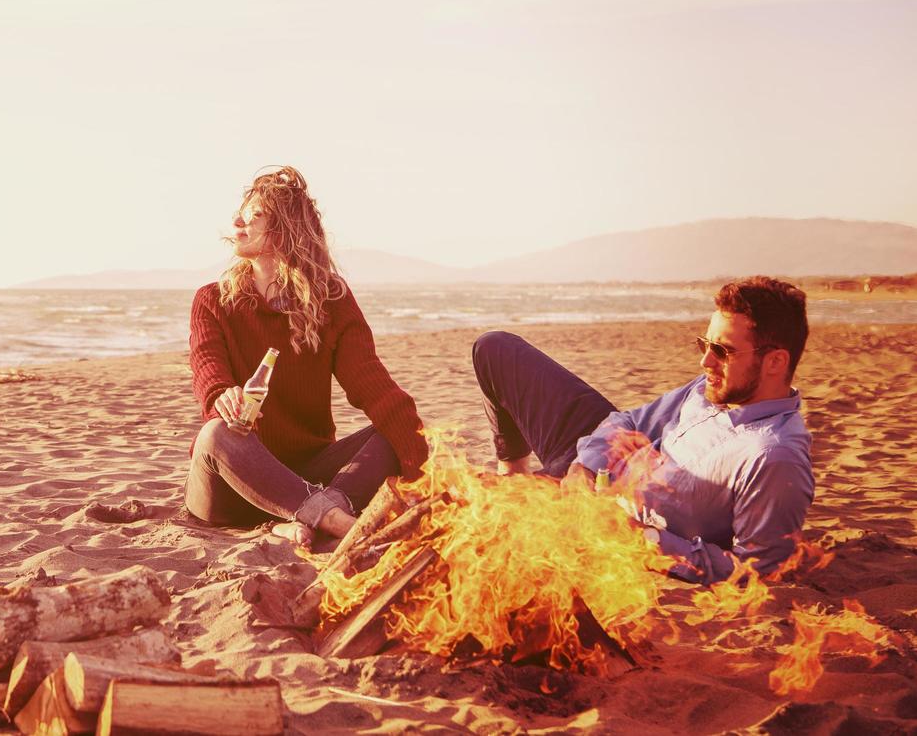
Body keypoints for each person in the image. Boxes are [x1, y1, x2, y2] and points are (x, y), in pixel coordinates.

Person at [473, 276, 814, 584]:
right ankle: (515, 472)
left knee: (484, 522)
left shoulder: (772, 457)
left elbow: (756, 572)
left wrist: (639, 537)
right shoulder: (711, 388)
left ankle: (532, 482)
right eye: (704, 345)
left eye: (722, 351)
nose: (705, 362)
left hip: (611, 525)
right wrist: (585, 468)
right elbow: (630, 422)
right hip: (595, 464)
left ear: (775, 362)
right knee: (495, 348)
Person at [184, 167, 430, 548]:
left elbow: (374, 387)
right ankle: (334, 519)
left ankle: (311, 514)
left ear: (284, 229)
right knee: (216, 433)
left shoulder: (331, 301)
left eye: (254, 216)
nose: (236, 222)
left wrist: (423, 473)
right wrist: (221, 396)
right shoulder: (212, 300)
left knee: (392, 429)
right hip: (230, 486)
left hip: (308, 475)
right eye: (240, 213)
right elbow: (207, 366)